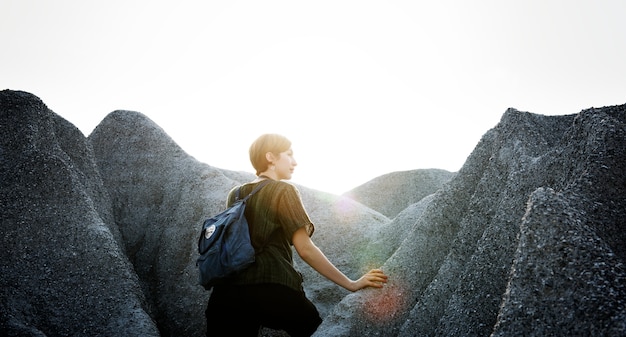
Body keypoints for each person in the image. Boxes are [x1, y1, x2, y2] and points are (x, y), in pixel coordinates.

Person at [204, 133, 388, 337]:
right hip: (273, 287)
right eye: (289, 155)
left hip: (227, 294)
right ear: (270, 157)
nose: (295, 162)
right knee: (317, 331)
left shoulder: (235, 194)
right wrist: (351, 284)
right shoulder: (283, 190)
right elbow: (305, 249)